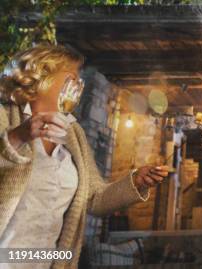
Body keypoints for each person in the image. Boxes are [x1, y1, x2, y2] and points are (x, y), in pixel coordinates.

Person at [0, 44, 169, 268]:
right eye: (71, 78)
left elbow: (94, 198)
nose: (78, 86)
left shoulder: (73, 133)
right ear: (42, 77)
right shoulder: (5, 117)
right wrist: (18, 136)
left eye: (79, 81)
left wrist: (135, 181)